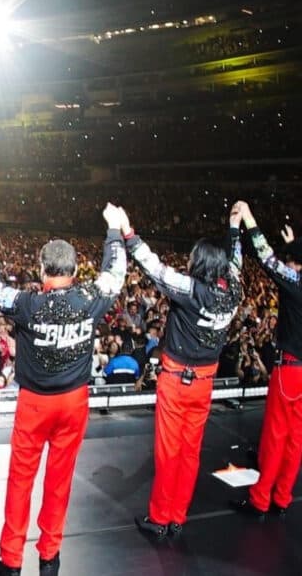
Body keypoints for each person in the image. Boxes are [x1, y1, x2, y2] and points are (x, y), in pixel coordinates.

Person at [0, 204, 128, 576]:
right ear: (76, 271)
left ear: (42, 269)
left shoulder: (28, 304)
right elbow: (116, 272)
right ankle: (50, 557)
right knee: (59, 481)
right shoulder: (91, 298)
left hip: (34, 406)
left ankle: (11, 561)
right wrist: (113, 230)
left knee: (21, 480)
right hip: (74, 404)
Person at [125, 205, 242, 541]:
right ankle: (178, 516)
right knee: (191, 453)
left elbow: (154, 268)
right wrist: (234, 229)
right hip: (205, 383)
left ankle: (159, 518)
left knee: (168, 451)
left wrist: (128, 233)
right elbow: (236, 262)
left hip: (177, 381)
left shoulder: (191, 290)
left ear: (199, 263)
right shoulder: (232, 292)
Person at [231, 202, 302, 518]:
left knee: (275, 436)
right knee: (297, 440)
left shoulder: (296, 283)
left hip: (290, 370)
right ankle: (283, 498)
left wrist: (249, 220)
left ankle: (261, 500)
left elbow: (267, 258)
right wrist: (292, 246)